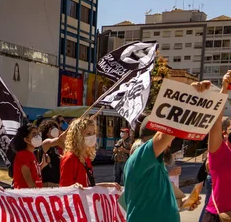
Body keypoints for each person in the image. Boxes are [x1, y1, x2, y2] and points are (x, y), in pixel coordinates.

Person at [123, 81, 210, 222]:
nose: (170, 142)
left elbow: (155, 203)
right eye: (170, 138)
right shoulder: (140, 157)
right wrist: (189, 97)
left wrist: (183, 204)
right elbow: (163, 136)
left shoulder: (156, 165)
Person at [60, 117, 119, 189]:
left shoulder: (86, 157)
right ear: (78, 136)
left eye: (94, 133)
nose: (92, 136)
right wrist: (73, 187)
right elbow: (63, 189)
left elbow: (88, 186)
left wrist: (107, 185)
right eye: (88, 133)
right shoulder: (70, 158)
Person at [203, 72, 231, 222]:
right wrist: (224, 88)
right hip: (217, 217)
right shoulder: (220, 151)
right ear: (226, 132)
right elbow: (215, 122)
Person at [11, 123, 52, 189]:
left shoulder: (30, 154)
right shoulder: (23, 155)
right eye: (34, 134)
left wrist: (42, 165)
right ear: (26, 140)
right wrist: (36, 194)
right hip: (26, 196)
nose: (37, 136)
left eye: (38, 133)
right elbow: (28, 180)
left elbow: (32, 172)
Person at [36, 119, 65, 187]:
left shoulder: (56, 147)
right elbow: (59, 140)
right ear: (46, 132)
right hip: (47, 185)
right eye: (51, 128)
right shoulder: (45, 143)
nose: (55, 129)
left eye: (55, 127)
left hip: (56, 184)